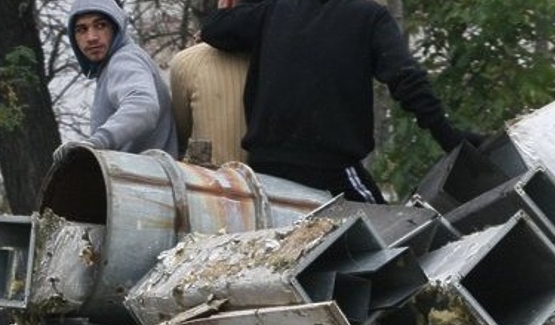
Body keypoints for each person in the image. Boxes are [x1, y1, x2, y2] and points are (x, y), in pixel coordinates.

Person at [201, 0, 482, 203]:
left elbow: (213, 28)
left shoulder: (273, 12)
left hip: (264, 169)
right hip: (330, 171)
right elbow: (406, 79)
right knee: (396, 236)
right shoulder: (369, 17)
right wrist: (449, 137)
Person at [54, 0, 178, 163]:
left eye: (100, 25)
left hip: (145, 182)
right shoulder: (111, 66)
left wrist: (96, 142)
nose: (91, 37)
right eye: (81, 29)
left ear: (116, 28)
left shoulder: (123, 60)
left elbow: (143, 106)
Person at [168, 0, 251, 166]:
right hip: (276, 184)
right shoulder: (288, 54)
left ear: (225, 3)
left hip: (206, 183)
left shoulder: (188, 62)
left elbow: (180, 132)